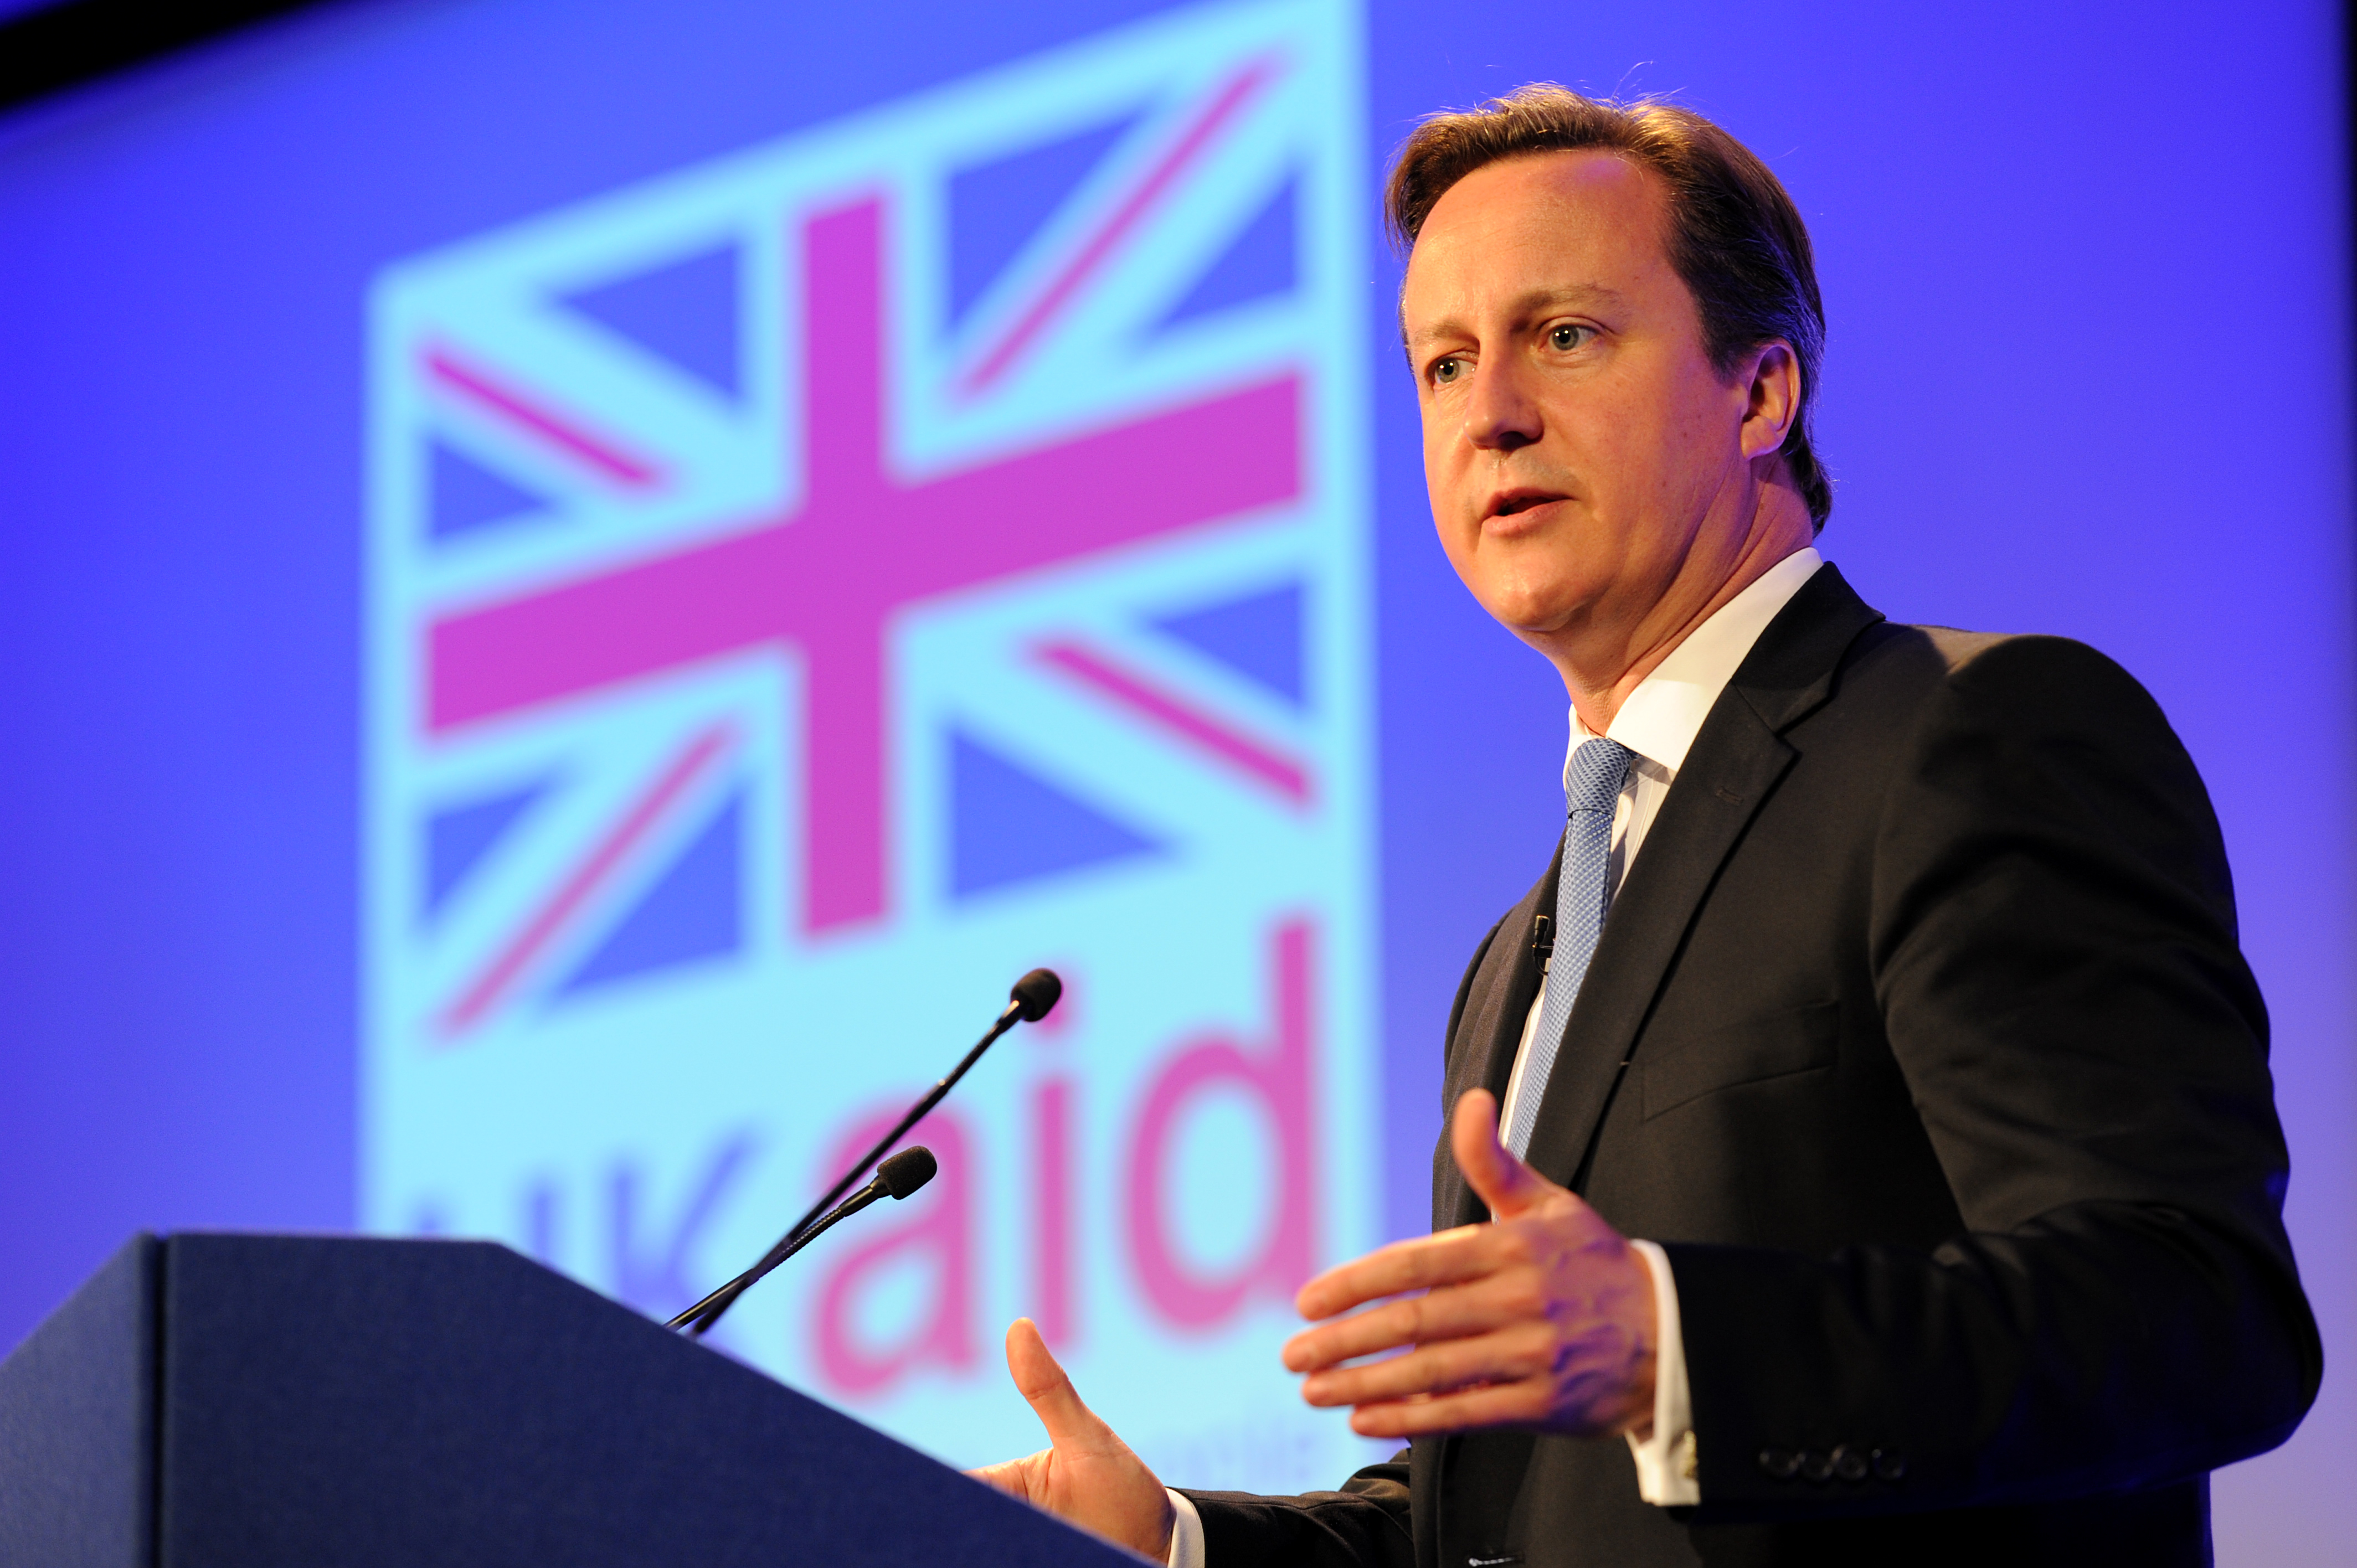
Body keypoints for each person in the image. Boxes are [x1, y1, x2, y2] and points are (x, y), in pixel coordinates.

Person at [972, 86, 2321, 1567]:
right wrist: (1170, 1545)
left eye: (1563, 337)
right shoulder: (1516, 961)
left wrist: (1677, 1350)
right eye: (1441, 362)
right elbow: (1500, 1524)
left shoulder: (1970, 739)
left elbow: (2194, 1315)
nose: (1488, 414)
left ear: (1760, 393)